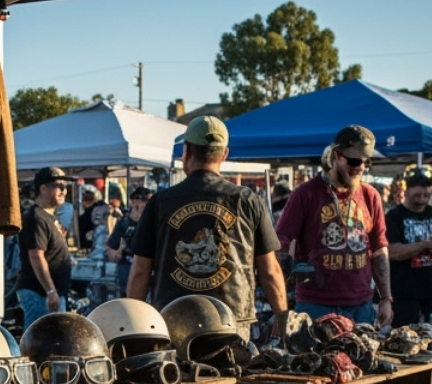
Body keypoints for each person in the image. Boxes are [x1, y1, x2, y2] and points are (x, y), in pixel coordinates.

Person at [128, 116, 286, 339]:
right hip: (232, 320)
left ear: (186, 151)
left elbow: (140, 270)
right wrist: (282, 316)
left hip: (174, 318)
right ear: (224, 154)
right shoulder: (247, 200)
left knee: (176, 374)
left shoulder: (161, 202)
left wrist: (132, 323)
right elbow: (270, 270)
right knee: (231, 373)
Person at [275, 125, 392, 327]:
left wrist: (386, 299)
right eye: (355, 161)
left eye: (367, 162)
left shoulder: (370, 195)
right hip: (315, 305)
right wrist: (283, 285)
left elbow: (380, 249)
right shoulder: (306, 193)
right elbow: (282, 239)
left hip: (360, 306)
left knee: (359, 358)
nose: (361, 167)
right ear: (337, 156)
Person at [385, 174, 432, 326]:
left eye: (426, 195)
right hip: (404, 292)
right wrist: (425, 245)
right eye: (417, 195)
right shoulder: (394, 216)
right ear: (406, 192)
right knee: (403, 339)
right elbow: (393, 252)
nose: (422, 199)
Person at [17, 166, 73, 325]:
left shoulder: (49, 216)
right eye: (59, 186)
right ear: (43, 188)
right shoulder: (36, 218)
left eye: (65, 187)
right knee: (40, 343)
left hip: (50, 293)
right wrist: (50, 291)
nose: (64, 191)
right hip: (39, 294)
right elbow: (36, 255)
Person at [106, 186, 151, 295]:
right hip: (127, 269)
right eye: (145, 200)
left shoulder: (153, 222)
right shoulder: (123, 222)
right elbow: (110, 246)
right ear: (134, 201)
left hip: (148, 269)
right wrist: (117, 252)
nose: (147, 204)